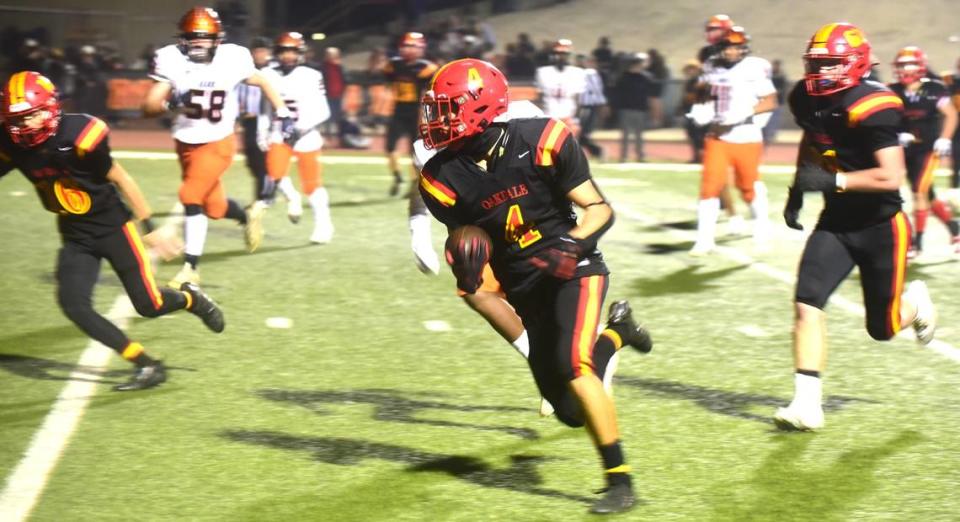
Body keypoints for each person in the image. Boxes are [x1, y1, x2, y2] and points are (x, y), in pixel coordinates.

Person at [418, 58, 654, 514]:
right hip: (523, 284)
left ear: (480, 106)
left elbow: (599, 210)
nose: (437, 120)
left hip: (574, 269)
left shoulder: (542, 139)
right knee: (567, 409)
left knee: (574, 365)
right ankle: (619, 332)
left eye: (448, 109)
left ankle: (620, 479)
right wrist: (465, 265)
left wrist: (571, 244)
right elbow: (465, 239)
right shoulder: (441, 177)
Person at [0, 71, 225, 391]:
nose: (21, 128)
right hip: (74, 232)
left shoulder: (78, 135)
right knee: (74, 304)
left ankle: (191, 300)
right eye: (15, 120)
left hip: (112, 226)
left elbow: (122, 179)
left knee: (149, 305)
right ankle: (146, 364)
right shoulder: (12, 143)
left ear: (49, 108)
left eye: (29, 118)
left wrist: (150, 228)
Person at [775, 23, 937, 431]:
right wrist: (799, 186)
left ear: (855, 64)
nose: (821, 73)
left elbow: (890, 177)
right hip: (837, 222)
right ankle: (807, 404)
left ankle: (915, 304)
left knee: (881, 329)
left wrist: (831, 181)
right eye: (817, 64)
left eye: (830, 65)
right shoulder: (805, 97)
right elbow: (813, 139)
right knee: (806, 303)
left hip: (881, 224)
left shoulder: (874, 104)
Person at [142, 6, 292, 287]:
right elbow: (148, 106)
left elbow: (262, 80)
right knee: (215, 207)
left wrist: (282, 112)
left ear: (217, 39)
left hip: (219, 141)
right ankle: (246, 216)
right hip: (185, 142)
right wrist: (169, 104)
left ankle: (191, 268)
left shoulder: (233, 57)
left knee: (190, 195)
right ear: (182, 39)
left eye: (204, 38)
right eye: (192, 38)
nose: (198, 43)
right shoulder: (170, 58)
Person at [687, 26, 777, 255]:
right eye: (728, 47)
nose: (731, 52)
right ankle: (704, 239)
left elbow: (770, 101)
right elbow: (702, 92)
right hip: (717, 136)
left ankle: (761, 222)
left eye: (736, 47)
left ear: (744, 48)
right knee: (710, 186)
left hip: (746, 135)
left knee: (747, 186)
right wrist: (700, 107)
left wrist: (744, 113)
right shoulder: (710, 66)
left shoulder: (755, 67)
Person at [254, 32, 333, 244]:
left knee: (312, 184)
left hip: (306, 135)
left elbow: (324, 110)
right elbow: (265, 108)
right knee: (274, 173)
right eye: (284, 51)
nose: (288, 56)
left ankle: (323, 225)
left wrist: (301, 127)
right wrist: (262, 131)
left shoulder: (311, 75)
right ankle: (292, 197)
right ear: (277, 53)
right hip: (279, 133)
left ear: (300, 53)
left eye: (292, 51)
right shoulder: (267, 74)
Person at [888, 46, 959, 257]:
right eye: (901, 65)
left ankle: (917, 243)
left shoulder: (934, 89)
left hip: (929, 149)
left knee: (919, 192)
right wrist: (896, 132)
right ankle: (955, 229)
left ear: (920, 66)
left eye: (909, 65)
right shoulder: (893, 90)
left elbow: (951, 114)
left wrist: (945, 138)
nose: (904, 69)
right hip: (906, 150)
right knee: (926, 194)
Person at [381, 31, 441, 274]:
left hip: (418, 112)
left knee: (416, 152)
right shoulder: (393, 65)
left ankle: (412, 180)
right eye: (406, 45)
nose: (409, 50)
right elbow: (384, 76)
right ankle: (397, 176)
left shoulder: (427, 68)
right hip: (399, 111)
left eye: (414, 46)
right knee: (390, 148)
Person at [237, 36, 274, 203]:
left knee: (261, 160)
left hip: (265, 121)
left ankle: (262, 197)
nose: (259, 54)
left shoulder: (273, 73)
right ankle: (267, 188)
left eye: (263, 51)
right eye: (257, 51)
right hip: (248, 120)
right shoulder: (245, 72)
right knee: (251, 160)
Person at [613, 53, 656, 162]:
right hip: (626, 109)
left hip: (641, 109)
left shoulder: (646, 77)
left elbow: (650, 94)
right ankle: (624, 156)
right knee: (626, 134)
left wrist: (651, 108)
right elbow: (617, 94)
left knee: (639, 134)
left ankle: (640, 155)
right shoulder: (623, 77)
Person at [535, 39, 586, 131]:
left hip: (568, 117)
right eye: (558, 54)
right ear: (553, 55)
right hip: (549, 117)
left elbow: (578, 99)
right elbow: (540, 98)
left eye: (564, 54)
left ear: (569, 56)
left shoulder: (578, 73)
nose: (561, 57)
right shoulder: (543, 72)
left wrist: (576, 118)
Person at [576, 54, 607, 159]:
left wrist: (601, 105)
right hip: (580, 107)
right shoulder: (576, 72)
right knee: (578, 133)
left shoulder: (589, 73)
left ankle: (596, 151)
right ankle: (594, 152)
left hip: (586, 106)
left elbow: (596, 90)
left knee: (581, 132)